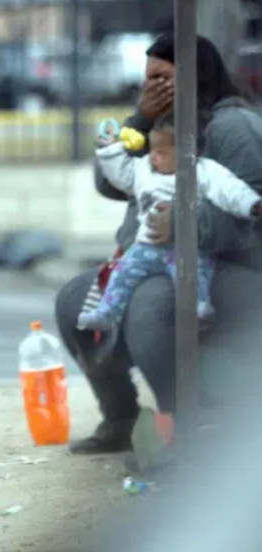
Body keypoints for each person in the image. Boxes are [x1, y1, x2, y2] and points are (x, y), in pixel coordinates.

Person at [55, 33, 262, 456]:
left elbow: (252, 211)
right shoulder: (160, 125)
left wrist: (186, 223)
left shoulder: (231, 127)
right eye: (147, 79)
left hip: (221, 264)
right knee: (74, 302)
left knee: (148, 307)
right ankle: (120, 418)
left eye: (162, 78)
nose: (152, 88)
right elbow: (108, 183)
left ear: (195, 76)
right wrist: (139, 119)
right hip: (149, 256)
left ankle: (181, 431)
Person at [77, 114, 262, 332]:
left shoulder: (204, 171)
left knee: (194, 272)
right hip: (147, 246)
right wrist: (110, 150)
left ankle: (198, 308)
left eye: (161, 152)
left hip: (187, 248)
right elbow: (121, 174)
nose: (153, 157)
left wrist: (251, 204)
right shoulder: (144, 169)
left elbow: (230, 190)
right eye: (152, 150)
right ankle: (107, 314)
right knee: (122, 273)